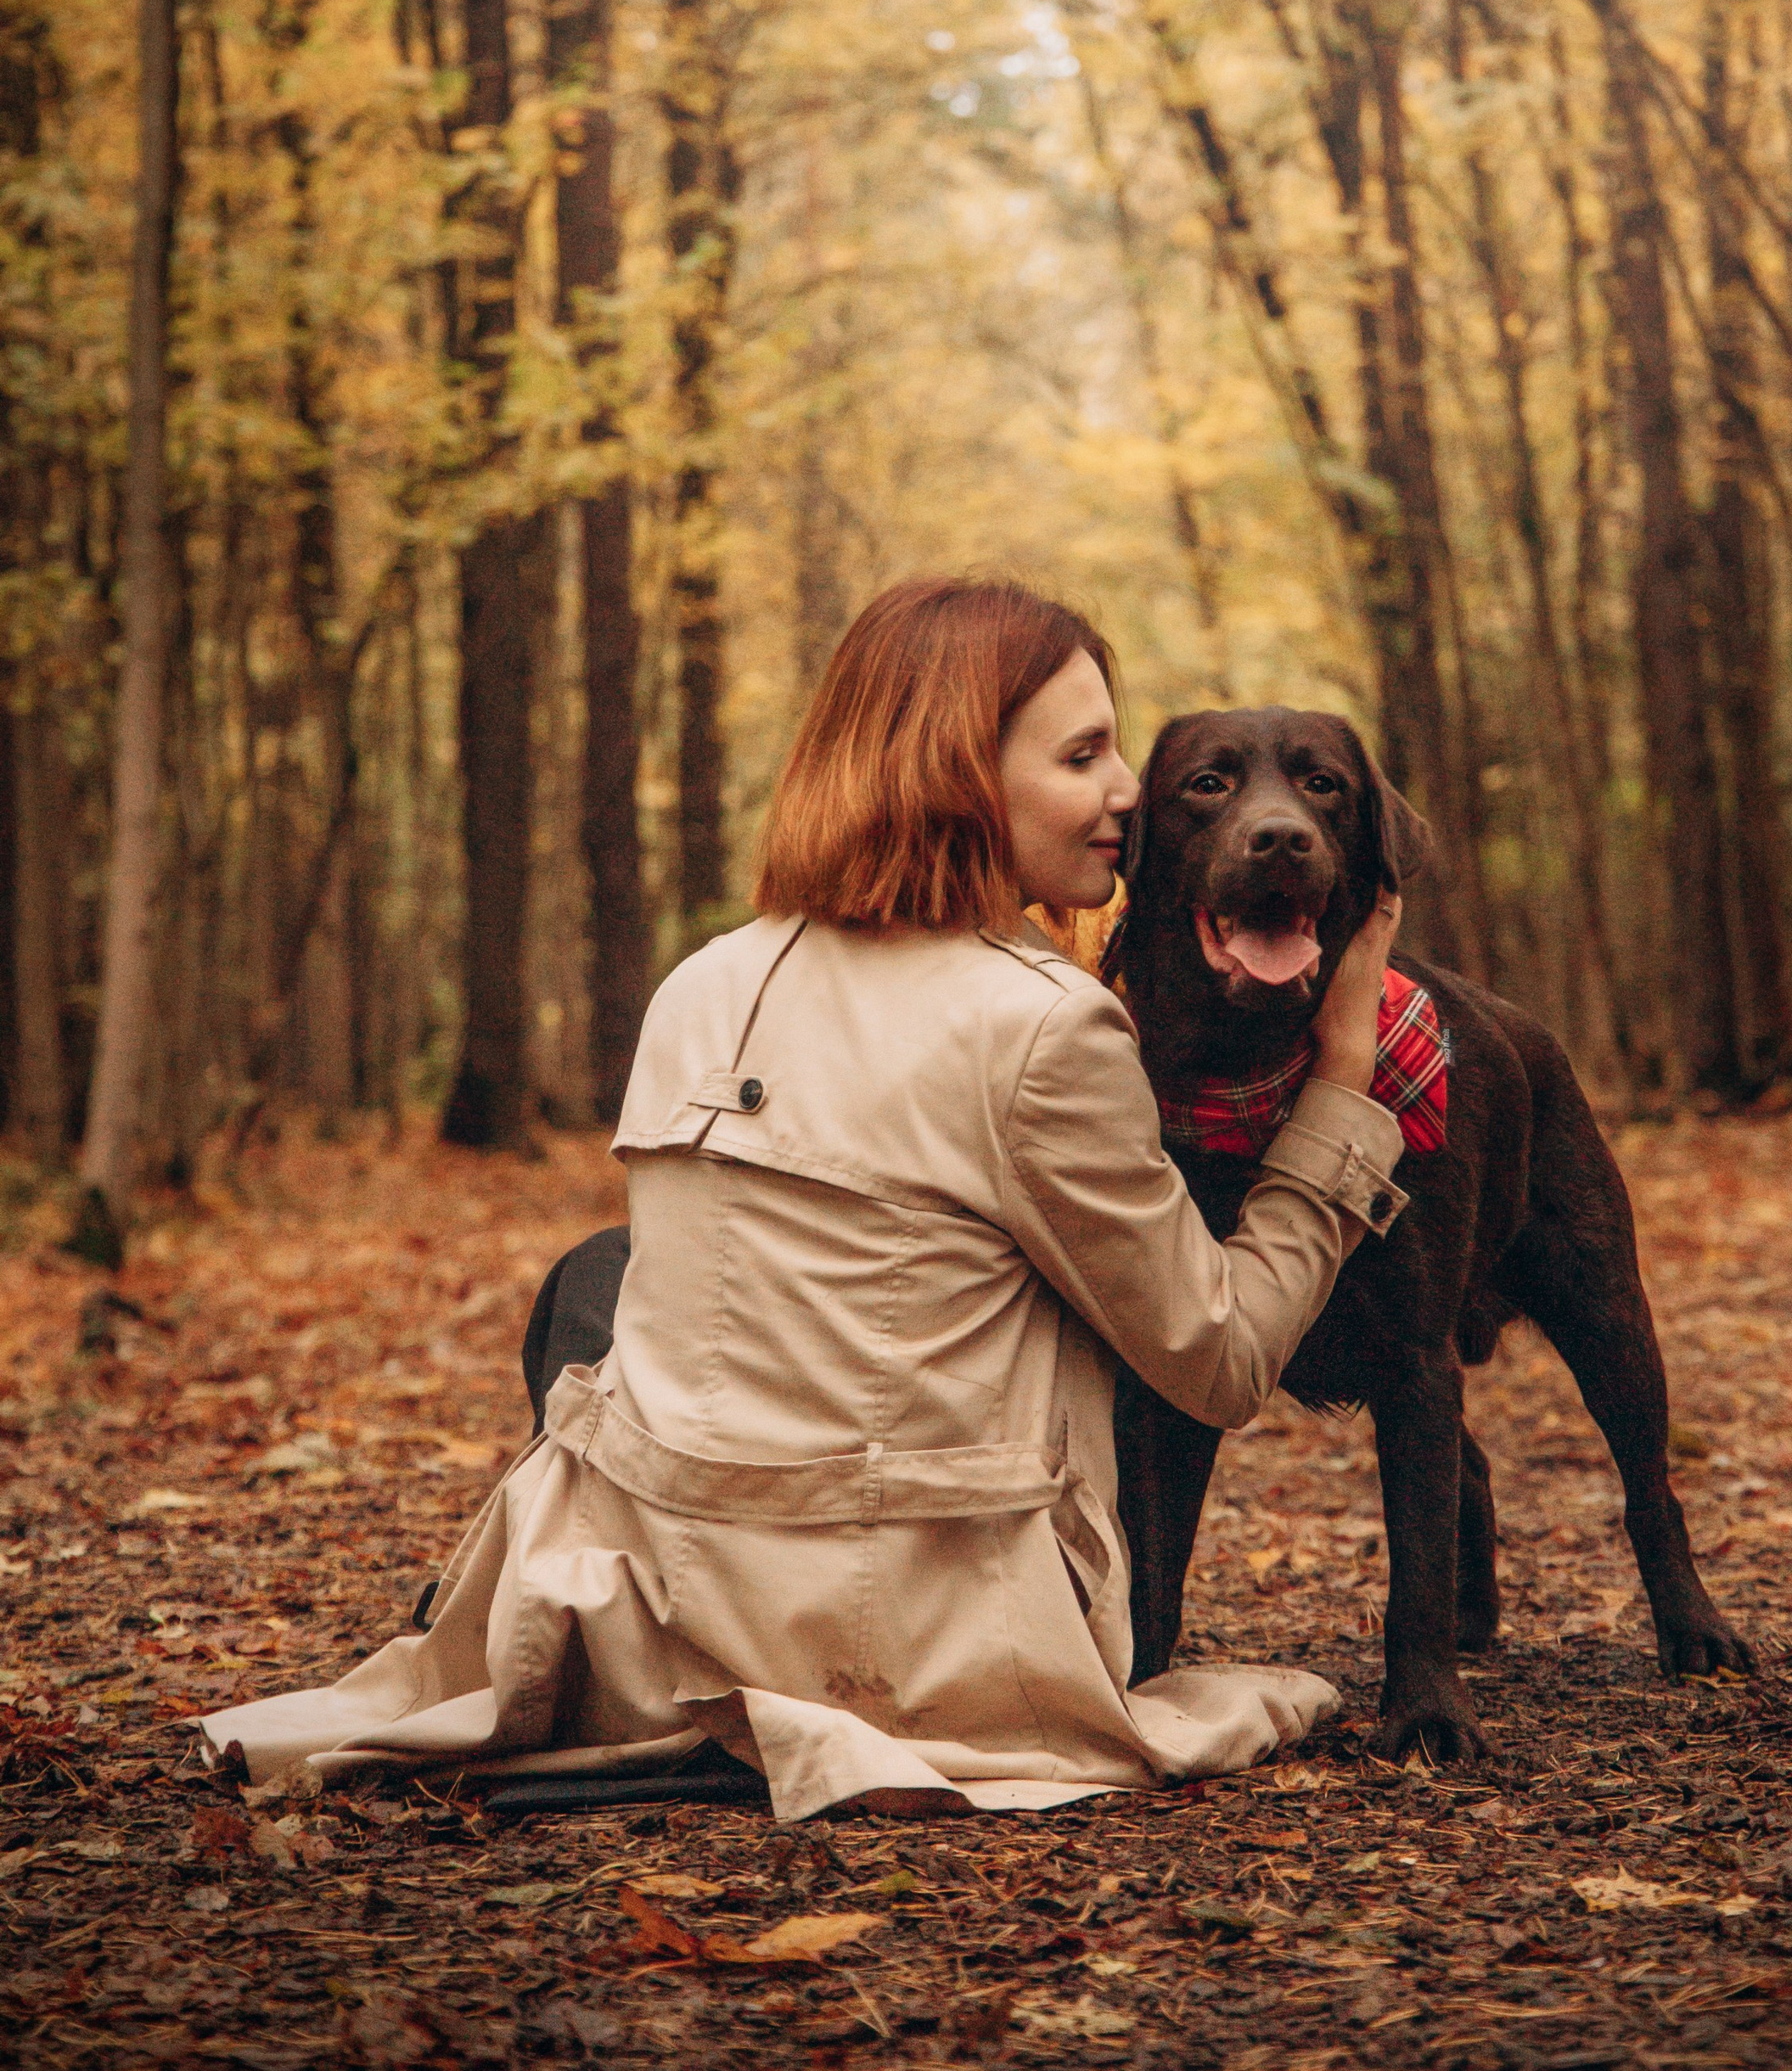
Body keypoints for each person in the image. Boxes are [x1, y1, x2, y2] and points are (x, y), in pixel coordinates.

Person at [202, 578, 1407, 1820]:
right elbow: (1221, 1358)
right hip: (925, 1643)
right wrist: (1346, 1079)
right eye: (1083, 754)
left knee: (604, 1271)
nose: (1125, 793)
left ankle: (688, 1684)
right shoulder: (1045, 1026)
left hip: (656, 1612)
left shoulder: (703, 982)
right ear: (953, 772)